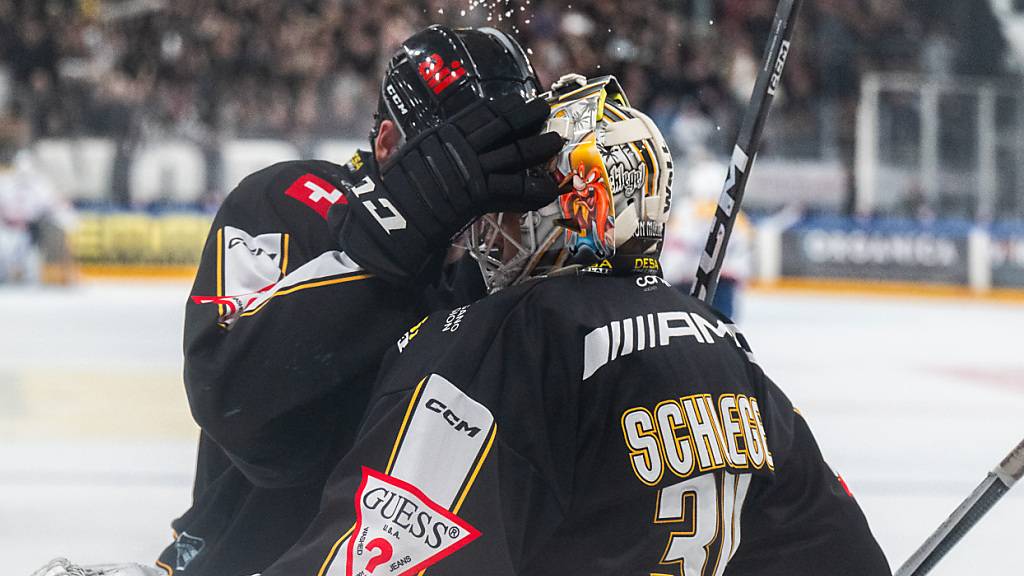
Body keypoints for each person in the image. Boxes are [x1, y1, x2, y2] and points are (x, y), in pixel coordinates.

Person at [260, 75, 892, 576]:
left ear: (579, 210)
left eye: (513, 206)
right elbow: (841, 556)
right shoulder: (726, 348)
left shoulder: (514, 337)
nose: (489, 228)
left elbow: (387, 550)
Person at [32, 25, 563, 576]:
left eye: (500, 161)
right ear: (385, 144)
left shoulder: (510, 265)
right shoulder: (287, 201)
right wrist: (394, 243)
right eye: (454, 163)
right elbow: (235, 404)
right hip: (250, 559)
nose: (479, 191)